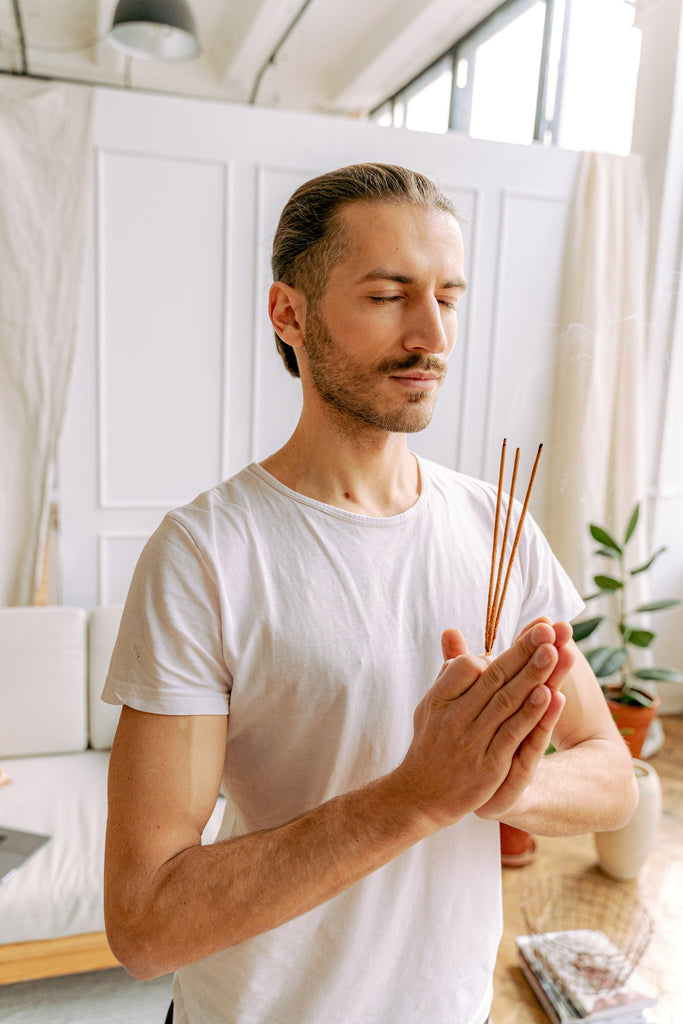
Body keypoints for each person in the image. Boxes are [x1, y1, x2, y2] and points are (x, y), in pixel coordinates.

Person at [102, 163, 637, 1024]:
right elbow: (145, 925)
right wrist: (417, 794)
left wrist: (501, 786)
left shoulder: (497, 525)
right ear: (291, 314)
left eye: (448, 297)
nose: (432, 334)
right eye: (389, 295)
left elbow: (611, 776)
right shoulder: (205, 554)